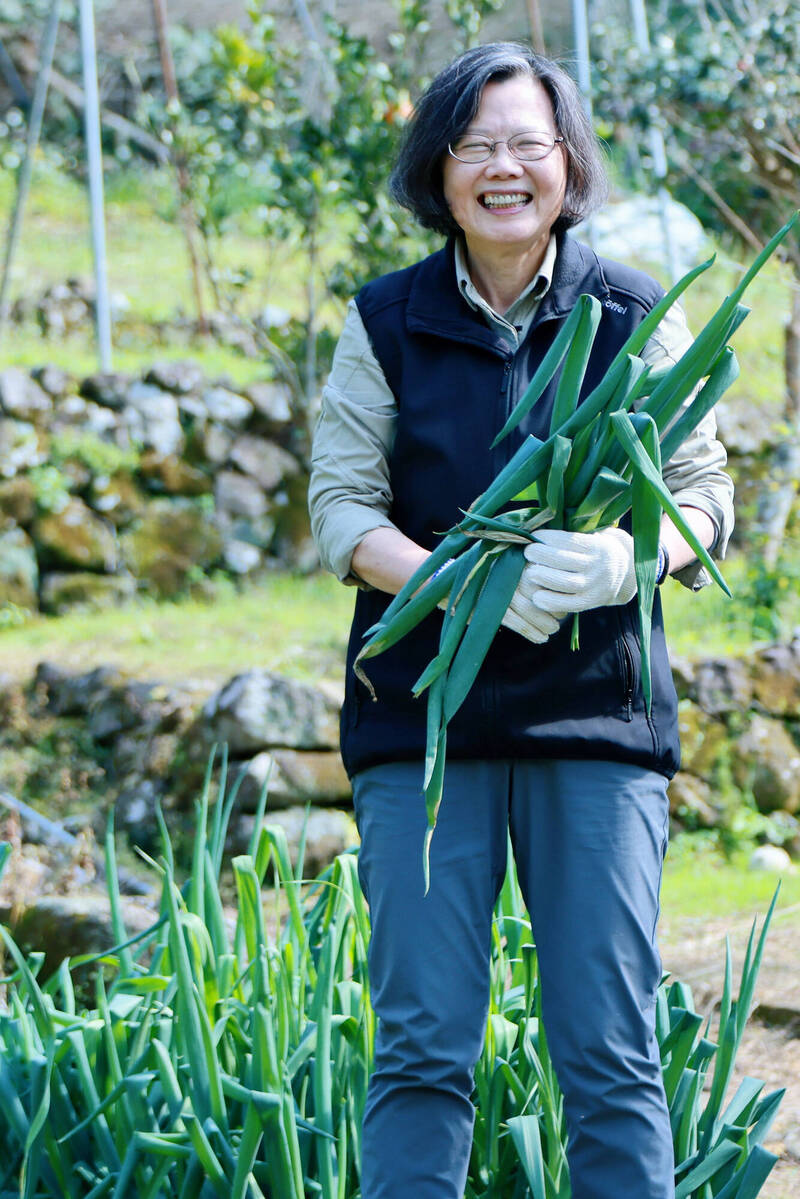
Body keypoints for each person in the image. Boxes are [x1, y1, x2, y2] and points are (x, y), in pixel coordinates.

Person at [308, 42, 733, 1199]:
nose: (503, 167)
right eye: (475, 143)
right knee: (420, 1048)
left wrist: (614, 559)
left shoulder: (628, 314)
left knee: (605, 1046)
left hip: (591, 719)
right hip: (420, 725)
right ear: (437, 166)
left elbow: (704, 497)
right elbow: (340, 505)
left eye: (526, 144)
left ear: (565, 162)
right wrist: (452, 578)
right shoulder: (386, 320)